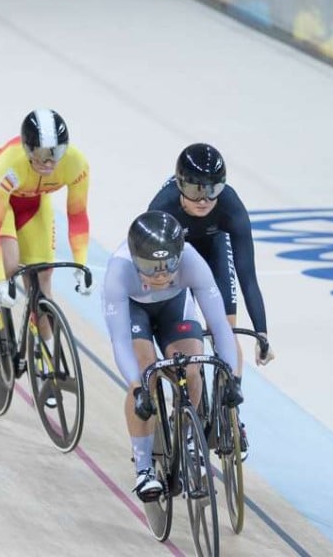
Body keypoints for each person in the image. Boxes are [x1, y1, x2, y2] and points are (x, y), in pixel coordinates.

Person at [103, 210, 243, 501]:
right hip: (134, 310)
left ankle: (190, 437)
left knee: (192, 367)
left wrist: (232, 376)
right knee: (145, 373)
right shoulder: (118, 271)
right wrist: (137, 387)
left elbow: (219, 326)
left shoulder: (191, 261)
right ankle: (143, 468)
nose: (162, 273)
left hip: (174, 307)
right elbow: (119, 341)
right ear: (135, 258)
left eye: (168, 264)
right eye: (151, 266)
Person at [0, 109, 91, 344]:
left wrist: (81, 263)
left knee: (43, 275)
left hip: (33, 201)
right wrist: (1, 281)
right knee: (9, 263)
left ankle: (44, 353)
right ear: (26, 149)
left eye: (56, 153)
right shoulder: (10, 163)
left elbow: (78, 216)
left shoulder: (76, 163)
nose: (48, 161)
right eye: (40, 153)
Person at [147, 143, 274, 367]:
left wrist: (261, 334)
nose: (204, 200)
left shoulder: (230, 207)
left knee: (224, 329)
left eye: (212, 190)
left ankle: (231, 396)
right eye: (196, 191)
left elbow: (248, 277)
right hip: (177, 254)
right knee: (184, 336)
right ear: (180, 186)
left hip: (214, 247)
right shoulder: (162, 209)